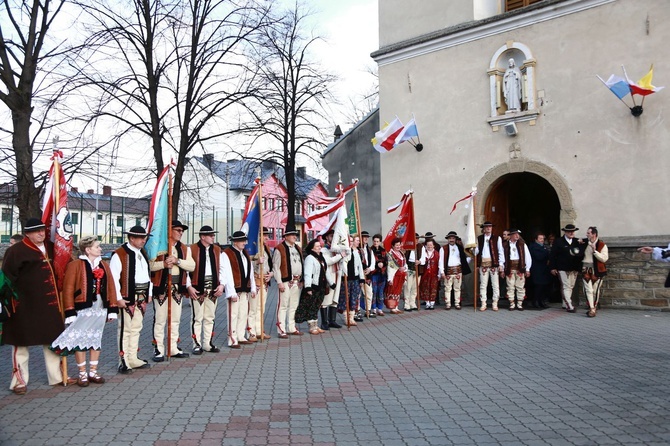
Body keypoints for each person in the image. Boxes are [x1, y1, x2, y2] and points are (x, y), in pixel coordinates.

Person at [2, 218, 73, 394]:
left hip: (49, 305)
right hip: (23, 305)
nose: (41, 233)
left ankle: (57, 377)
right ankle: (19, 381)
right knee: (20, 344)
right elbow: (6, 278)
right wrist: (9, 302)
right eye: (36, 231)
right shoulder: (16, 251)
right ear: (27, 233)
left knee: (53, 340)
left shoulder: (52, 247)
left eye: (42, 230)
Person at [51, 236, 118, 386]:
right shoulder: (75, 265)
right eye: (97, 247)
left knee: (95, 338)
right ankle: (82, 373)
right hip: (82, 308)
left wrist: (112, 309)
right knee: (80, 339)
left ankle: (93, 371)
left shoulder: (104, 265)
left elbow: (111, 287)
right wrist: (69, 312)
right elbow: (68, 289)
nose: (100, 249)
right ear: (88, 250)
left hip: (100, 308)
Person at [149, 220, 195, 362]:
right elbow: (150, 266)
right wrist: (163, 264)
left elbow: (192, 266)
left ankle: (173, 347)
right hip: (162, 287)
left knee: (175, 319)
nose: (181, 233)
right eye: (178, 230)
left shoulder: (184, 249)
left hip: (177, 287)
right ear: (170, 231)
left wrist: (178, 261)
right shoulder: (158, 246)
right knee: (160, 319)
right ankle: (158, 349)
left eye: (182, 231)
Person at [110, 225, 153, 374]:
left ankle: (133, 357)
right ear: (132, 238)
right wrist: (118, 297)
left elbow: (147, 274)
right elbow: (114, 278)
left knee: (136, 327)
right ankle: (123, 361)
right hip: (128, 296)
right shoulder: (119, 254)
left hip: (141, 295)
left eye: (144, 238)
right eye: (141, 238)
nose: (143, 240)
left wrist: (149, 292)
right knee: (125, 329)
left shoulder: (142, 253)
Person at [187, 225, 231, 354]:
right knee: (197, 317)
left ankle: (207, 343)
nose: (213, 237)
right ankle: (196, 344)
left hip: (213, 287)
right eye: (210, 235)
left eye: (213, 235)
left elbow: (222, 269)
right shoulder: (192, 249)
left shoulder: (217, 250)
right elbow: (187, 271)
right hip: (197, 287)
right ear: (202, 237)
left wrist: (222, 285)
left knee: (210, 317)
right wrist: (189, 286)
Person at [223, 231, 256, 348]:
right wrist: (231, 292)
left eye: (245, 240)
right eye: (242, 241)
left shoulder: (245, 253)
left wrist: (252, 287)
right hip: (235, 290)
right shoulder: (227, 254)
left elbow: (250, 271)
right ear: (235, 242)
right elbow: (226, 273)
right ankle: (232, 338)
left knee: (243, 314)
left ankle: (241, 336)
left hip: (244, 290)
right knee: (233, 315)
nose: (244, 243)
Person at [295, 239, 332, 335]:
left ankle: (315, 324)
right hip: (313, 286)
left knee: (316, 306)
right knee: (311, 306)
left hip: (321, 286)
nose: (319, 247)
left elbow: (326, 271)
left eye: (320, 246)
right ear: (312, 248)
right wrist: (308, 287)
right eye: (317, 246)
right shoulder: (310, 258)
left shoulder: (321, 257)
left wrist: (332, 283)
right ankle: (311, 327)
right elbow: (307, 273)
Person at [273, 226, 303, 338]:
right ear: (285, 236)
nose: (295, 236)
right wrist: (279, 282)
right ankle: (281, 328)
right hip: (286, 281)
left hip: (296, 280)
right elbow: (276, 267)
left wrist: (301, 279)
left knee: (293, 305)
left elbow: (301, 263)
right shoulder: (279, 249)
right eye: (292, 235)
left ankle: (291, 327)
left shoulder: (297, 248)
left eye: (295, 234)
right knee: (283, 305)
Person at [549, 224, 583, 313]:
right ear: (565, 232)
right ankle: (569, 305)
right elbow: (553, 255)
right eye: (569, 231)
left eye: (573, 231)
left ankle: (565, 303)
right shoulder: (558, 241)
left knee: (571, 286)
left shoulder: (577, 241)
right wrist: (553, 267)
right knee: (566, 286)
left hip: (574, 268)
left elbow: (583, 249)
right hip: (562, 268)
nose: (572, 233)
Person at [249, 227, 273, 341]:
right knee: (252, 308)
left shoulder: (266, 248)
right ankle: (251, 332)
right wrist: (256, 261)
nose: (267, 237)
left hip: (264, 280)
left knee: (261, 308)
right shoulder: (253, 248)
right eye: (265, 235)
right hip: (256, 280)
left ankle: (259, 330)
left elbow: (270, 264)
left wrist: (271, 274)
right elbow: (247, 264)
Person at [474, 221, 505, 311]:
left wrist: (501, 264)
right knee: (483, 285)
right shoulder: (479, 239)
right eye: (486, 227)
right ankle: (483, 303)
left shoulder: (497, 238)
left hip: (493, 265)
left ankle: (495, 303)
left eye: (490, 227)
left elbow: (500, 251)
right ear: (483, 228)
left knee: (495, 285)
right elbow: (476, 252)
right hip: (483, 264)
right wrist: (473, 247)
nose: (488, 228)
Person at [320, 229, 345, 330]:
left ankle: (332, 320)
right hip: (329, 276)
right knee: (326, 299)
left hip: (337, 275)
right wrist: (339, 256)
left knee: (335, 299)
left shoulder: (336, 250)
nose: (333, 238)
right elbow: (327, 262)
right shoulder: (324, 250)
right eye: (331, 236)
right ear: (327, 237)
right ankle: (324, 322)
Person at [501, 229, 532, 310]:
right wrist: (502, 268)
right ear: (510, 235)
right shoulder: (505, 245)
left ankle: (520, 303)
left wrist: (527, 268)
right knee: (510, 286)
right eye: (515, 234)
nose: (517, 236)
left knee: (520, 286)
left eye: (518, 234)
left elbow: (527, 257)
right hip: (509, 268)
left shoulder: (522, 245)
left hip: (520, 268)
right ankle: (511, 303)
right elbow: (502, 257)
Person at [439, 231, 471, 310]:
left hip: (458, 271)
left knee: (457, 288)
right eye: (450, 238)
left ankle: (457, 303)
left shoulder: (459, 248)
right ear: (448, 239)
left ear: (455, 239)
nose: (451, 240)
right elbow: (441, 261)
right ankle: (448, 303)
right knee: (447, 288)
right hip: (448, 271)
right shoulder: (444, 248)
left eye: (453, 238)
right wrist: (442, 271)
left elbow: (463, 259)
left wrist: (471, 257)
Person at [338, 235, 365, 325]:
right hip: (345, 278)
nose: (351, 242)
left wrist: (361, 279)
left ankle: (352, 317)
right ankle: (346, 318)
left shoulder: (356, 252)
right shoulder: (343, 252)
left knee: (354, 298)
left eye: (352, 241)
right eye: (349, 241)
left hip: (355, 278)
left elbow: (359, 266)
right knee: (345, 298)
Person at [582, 226, 608, 317]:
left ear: (594, 234)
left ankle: (594, 306)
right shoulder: (584, 243)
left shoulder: (601, 245)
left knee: (595, 290)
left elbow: (604, 259)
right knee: (588, 290)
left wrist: (594, 251)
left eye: (588, 233)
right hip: (586, 269)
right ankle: (592, 309)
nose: (586, 234)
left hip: (597, 270)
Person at [529, 233, 551, 309]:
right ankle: (535, 301)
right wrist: (546, 252)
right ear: (536, 239)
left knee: (543, 286)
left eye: (543, 239)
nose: (542, 240)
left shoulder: (543, 247)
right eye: (540, 238)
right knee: (538, 286)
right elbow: (539, 257)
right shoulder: (533, 247)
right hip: (537, 269)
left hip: (544, 269)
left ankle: (541, 301)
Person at [386, 238, 406, 314]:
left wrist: (404, 268)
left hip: (401, 275)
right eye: (396, 245)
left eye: (399, 245)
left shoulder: (401, 253)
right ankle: (392, 307)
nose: (398, 246)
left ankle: (396, 306)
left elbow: (404, 263)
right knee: (392, 290)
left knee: (398, 291)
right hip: (394, 275)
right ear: (393, 246)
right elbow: (390, 267)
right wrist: (390, 279)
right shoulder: (390, 254)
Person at [418, 239, 440, 309]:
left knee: (433, 288)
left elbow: (440, 264)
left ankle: (432, 303)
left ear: (433, 245)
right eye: (428, 245)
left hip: (434, 274)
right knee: (425, 288)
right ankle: (427, 303)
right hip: (425, 274)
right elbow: (421, 262)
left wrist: (440, 274)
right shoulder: (423, 253)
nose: (429, 246)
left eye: (431, 245)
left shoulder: (437, 254)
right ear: (426, 246)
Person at [370, 234, 387, 316]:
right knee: (374, 291)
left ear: (380, 242)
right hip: (374, 273)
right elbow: (369, 261)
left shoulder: (383, 250)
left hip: (382, 274)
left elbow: (386, 261)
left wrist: (382, 264)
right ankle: (373, 308)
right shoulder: (370, 250)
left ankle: (380, 308)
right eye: (374, 241)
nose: (376, 243)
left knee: (380, 291)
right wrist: (377, 264)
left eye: (377, 241)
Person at [359, 231, 376, 317]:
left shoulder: (369, 250)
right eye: (364, 237)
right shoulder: (357, 249)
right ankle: (357, 311)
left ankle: (368, 310)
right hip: (358, 274)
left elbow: (373, 262)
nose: (366, 238)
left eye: (367, 237)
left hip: (367, 274)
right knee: (357, 294)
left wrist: (369, 269)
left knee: (369, 293)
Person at [402, 243, 419, 312]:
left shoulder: (421, 247)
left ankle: (412, 303)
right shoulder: (407, 248)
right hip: (409, 270)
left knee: (415, 288)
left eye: (417, 239)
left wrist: (420, 261)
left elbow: (423, 258)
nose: (416, 241)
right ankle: (406, 304)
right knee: (408, 287)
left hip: (418, 270)